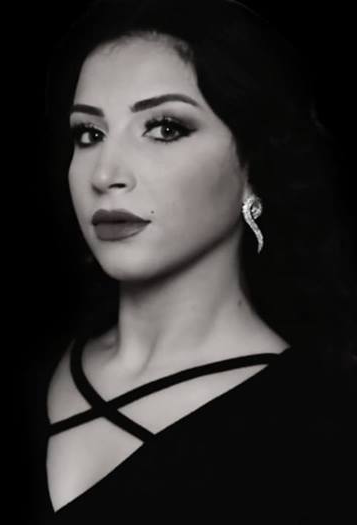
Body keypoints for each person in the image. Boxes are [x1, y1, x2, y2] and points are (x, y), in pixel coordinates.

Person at [26, 0, 357, 522]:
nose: (105, 174)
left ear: (253, 166)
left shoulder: (324, 427)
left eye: (164, 128)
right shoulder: (35, 358)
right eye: (88, 134)